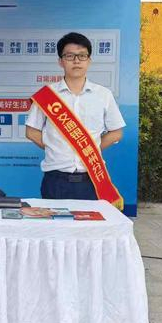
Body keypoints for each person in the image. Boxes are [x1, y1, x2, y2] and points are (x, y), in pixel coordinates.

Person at [25, 32, 125, 200]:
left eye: (82, 56)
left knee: (91, 219)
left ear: (89, 60)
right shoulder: (47, 95)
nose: (76, 61)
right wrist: (55, 147)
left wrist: (89, 149)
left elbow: (116, 132)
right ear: (61, 61)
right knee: (54, 219)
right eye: (70, 56)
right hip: (56, 179)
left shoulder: (103, 95)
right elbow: (31, 132)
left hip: (91, 179)